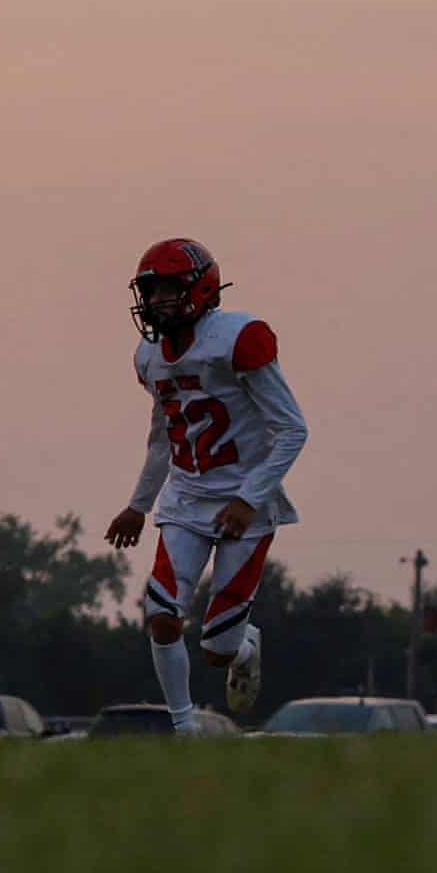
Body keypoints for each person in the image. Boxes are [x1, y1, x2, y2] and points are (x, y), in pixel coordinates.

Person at [105, 237, 306, 731]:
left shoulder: (238, 337)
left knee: (218, 650)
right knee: (163, 615)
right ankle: (184, 726)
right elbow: (161, 440)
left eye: (169, 290)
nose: (156, 303)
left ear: (202, 288)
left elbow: (292, 429)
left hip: (247, 502)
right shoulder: (149, 356)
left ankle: (245, 646)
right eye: (151, 293)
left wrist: (248, 498)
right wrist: (137, 505)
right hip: (187, 497)